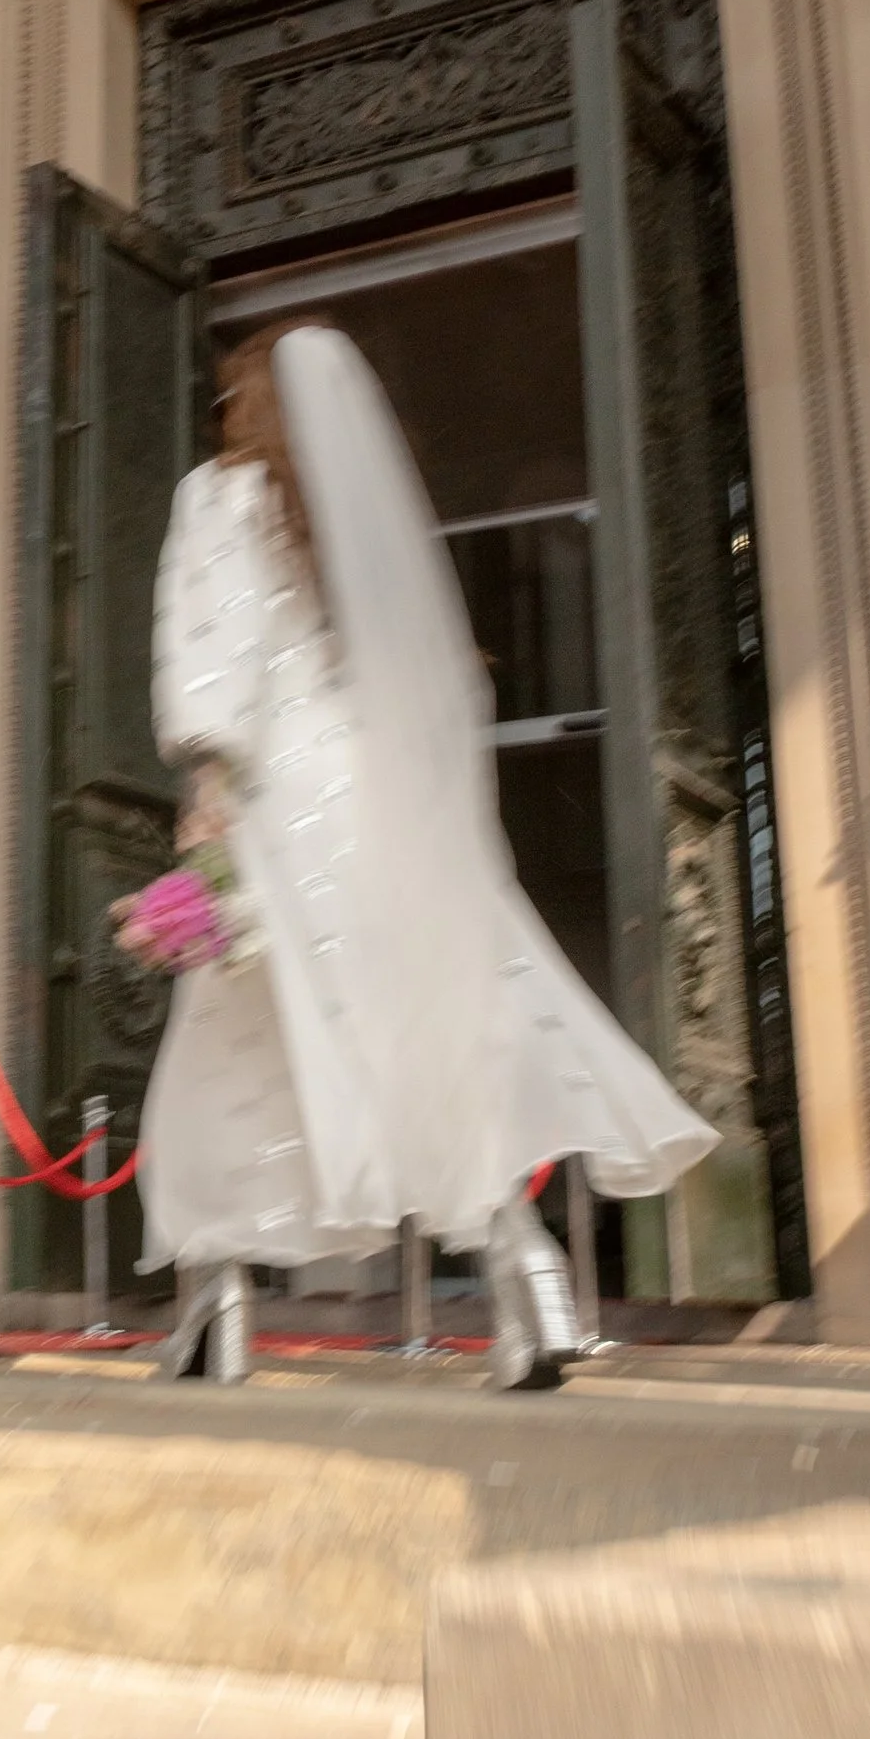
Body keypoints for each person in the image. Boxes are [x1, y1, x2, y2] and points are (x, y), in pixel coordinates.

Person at [135, 319, 715, 1388]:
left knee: (228, 1048)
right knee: (428, 1040)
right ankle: (525, 1277)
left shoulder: (218, 496)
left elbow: (216, 651)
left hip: (280, 798)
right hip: (380, 797)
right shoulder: (350, 509)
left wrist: (206, 791)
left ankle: (214, 1307)